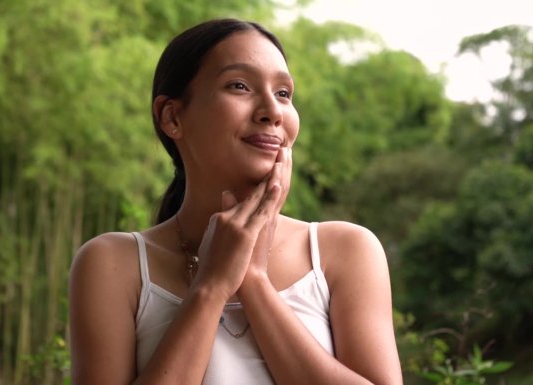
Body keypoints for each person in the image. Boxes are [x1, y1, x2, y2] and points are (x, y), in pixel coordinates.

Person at [69, 18, 403, 385]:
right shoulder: (113, 264)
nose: (273, 112)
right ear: (172, 117)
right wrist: (211, 286)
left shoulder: (346, 251)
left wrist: (254, 281)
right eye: (240, 86)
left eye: (283, 94)